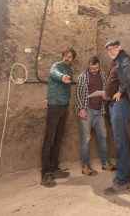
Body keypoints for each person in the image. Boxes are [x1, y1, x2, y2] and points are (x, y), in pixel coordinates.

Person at [103, 39, 130, 195]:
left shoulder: (125, 59)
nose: (111, 50)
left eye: (113, 47)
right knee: (122, 140)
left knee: (120, 141)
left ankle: (123, 181)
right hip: (114, 103)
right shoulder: (117, 60)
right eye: (108, 49)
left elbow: (128, 76)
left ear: (120, 47)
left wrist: (120, 91)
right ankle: (126, 175)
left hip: (120, 103)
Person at [40, 48, 77, 188]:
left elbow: (67, 81)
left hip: (64, 107)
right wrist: (62, 77)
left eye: (70, 57)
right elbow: (55, 73)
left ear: (73, 59)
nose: (68, 58)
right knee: (49, 139)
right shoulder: (56, 66)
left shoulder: (71, 71)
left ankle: (54, 168)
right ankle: (45, 173)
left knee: (58, 138)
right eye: (66, 56)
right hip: (55, 106)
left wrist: (66, 77)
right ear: (62, 56)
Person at [75, 56, 116, 176]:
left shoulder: (103, 75)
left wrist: (105, 96)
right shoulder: (83, 76)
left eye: (96, 67)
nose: (94, 70)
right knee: (86, 139)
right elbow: (77, 94)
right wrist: (81, 109)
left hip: (100, 111)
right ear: (89, 66)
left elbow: (106, 89)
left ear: (99, 66)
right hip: (87, 111)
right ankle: (85, 166)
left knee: (103, 136)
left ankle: (105, 163)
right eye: (92, 68)